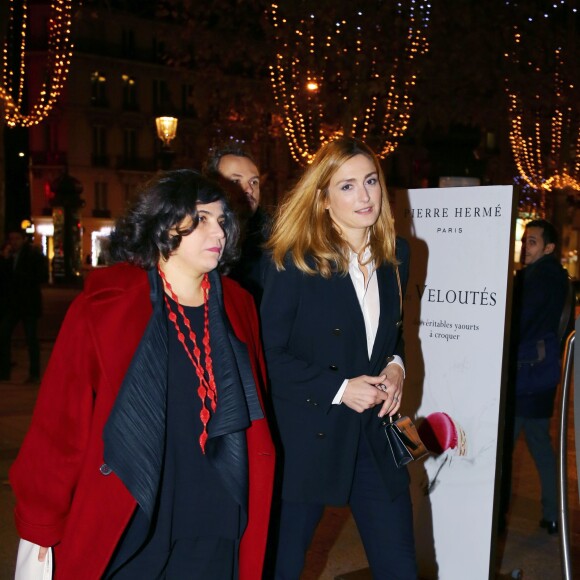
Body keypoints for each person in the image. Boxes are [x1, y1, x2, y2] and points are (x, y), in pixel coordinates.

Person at [9, 170, 275, 579]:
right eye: (201, 218)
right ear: (163, 224)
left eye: (222, 220)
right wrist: (40, 523)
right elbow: (59, 427)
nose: (217, 231)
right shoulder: (104, 310)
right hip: (134, 511)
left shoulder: (239, 305)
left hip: (218, 511)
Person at [260, 136, 417, 579]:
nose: (364, 196)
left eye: (370, 181)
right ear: (323, 199)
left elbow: (394, 336)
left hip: (375, 435)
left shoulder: (396, 255)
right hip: (309, 437)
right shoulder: (294, 261)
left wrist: (396, 368)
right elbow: (267, 355)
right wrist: (340, 388)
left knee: (399, 567)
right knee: (284, 566)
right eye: (346, 186)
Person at [505, 219, 569, 535]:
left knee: (506, 446)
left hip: (525, 374)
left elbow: (520, 322)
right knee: (539, 442)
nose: (524, 247)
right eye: (524, 241)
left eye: (532, 242)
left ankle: (496, 516)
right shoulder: (552, 277)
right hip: (539, 375)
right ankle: (553, 512)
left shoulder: (541, 278)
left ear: (548, 248)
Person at [204, 144, 270, 304]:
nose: (248, 189)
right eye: (235, 181)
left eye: (254, 182)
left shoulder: (279, 239)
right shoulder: (194, 237)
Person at [0, 227, 48, 383]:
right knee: (4, 335)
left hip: (28, 305)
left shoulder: (32, 255)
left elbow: (40, 276)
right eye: (11, 239)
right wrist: (4, 260)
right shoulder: (9, 256)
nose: (13, 242)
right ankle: (4, 372)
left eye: (16, 239)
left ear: (23, 239)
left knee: (31, 339)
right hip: (13, 305)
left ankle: (34, 374)